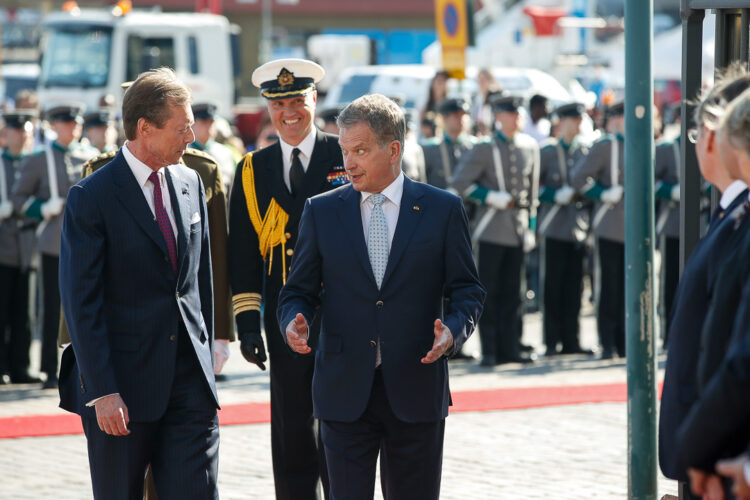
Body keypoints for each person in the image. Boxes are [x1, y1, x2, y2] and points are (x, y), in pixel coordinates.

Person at [277, 93, 485, 500]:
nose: (348, 162)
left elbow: (468, 290)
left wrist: (453, 334)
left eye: (359, 151)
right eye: (344, 150)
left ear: (393, 150)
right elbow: (296, 291)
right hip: (342, 392)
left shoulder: (442, 209)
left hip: (416, 387)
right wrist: (292, 321)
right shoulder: (321, 211)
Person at [58, 67, 219, 500]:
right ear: (145, 128)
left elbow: (197, 283)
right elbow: (81, 303)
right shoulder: (92, 197)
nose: (191, 137)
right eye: (182, 127)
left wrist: (208, 352)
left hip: (189, 386)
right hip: (123, 388)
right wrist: (103, 391)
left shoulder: (190, 182)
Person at [228, 58, 345, 500]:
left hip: (342, 313)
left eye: (297, 100)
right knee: (291, 425)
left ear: (314, 99)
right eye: (279, 104)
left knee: (341, 423)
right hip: (285, 318)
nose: (289, 112)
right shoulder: (251, 170)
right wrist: (246, 325)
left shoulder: (343, 153)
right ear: (267, 110)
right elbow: (241, 254)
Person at [658, 69, 750, 494]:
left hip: (723, 459)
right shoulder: (731, 213)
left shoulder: (740, 222)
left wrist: (704, 448)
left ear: (715, 134)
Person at [450, 93, 540, 366]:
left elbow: (532, 195)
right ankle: (490, 349)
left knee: (515, 292)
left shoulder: (529, 147)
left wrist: (532, 228)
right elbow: (460, 182)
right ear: (498, 117)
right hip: (491, 230)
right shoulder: (484, 148)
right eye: (509, 113)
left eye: (517, 113)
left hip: (517, 229)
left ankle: (510, 347)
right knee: (489, 291)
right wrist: (490, 197)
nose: (516, 118)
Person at [11, 104, 93, 389]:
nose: (73, 127)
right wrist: (43, 207)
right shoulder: (39, 159)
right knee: (52, 309)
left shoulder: (89, 157)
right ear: (55, 126)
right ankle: (49, 368)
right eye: (67, 123)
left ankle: (85, 366)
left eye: (76, 123)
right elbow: (19, 199)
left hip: (85, 244)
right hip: (54, 243)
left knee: (85, 306)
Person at [570, 101, 626, 359]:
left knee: (632, 287)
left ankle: (627, 342)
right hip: (610, 226)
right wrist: (603, 193)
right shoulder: (606, 146)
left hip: (636, 229)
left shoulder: (645, 144)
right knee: (608, 286)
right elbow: (579, 178)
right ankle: (608, 342)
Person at [537, 103, 592, 356]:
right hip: (554, 227)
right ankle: (551, 341)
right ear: (562, 123)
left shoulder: (585, 151)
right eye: (573, 120)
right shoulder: (547, 151)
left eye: (579, 120)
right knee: (553, 287)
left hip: (576, 228)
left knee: (574, 287)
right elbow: (533, 186)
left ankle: (572, 340)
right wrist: (553, 195)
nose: (578, 124)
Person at [0, 110, 40, 384]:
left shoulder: (34, 162)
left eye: (26, 130)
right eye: (17, 130)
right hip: (3, 247)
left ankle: (21, 367)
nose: (22, 135)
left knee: (25, 313)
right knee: (2, 310)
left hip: (27, 247)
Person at [422, 97, 477, 189]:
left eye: (464, 115)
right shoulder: (430, 149)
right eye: (456, 115)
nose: (461, 119)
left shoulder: (475, 146)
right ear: (444, 118)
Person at [191, 102, 237, 194]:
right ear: (192, 124)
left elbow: (231, 186)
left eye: (211, 122)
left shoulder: (225, 153)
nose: (209, 126)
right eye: (204, 122)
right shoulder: (183, 151)